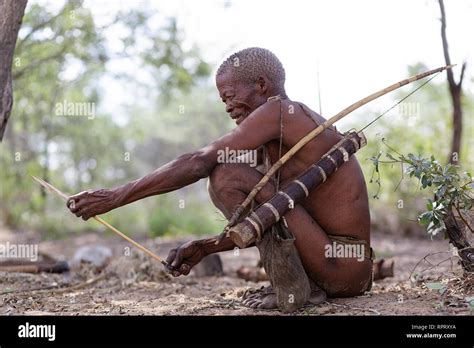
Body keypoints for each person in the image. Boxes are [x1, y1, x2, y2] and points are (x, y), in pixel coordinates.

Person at [67, 47, 373, 310]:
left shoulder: (280, 111)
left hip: (340, 264)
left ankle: (295, 287)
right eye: (221, 100)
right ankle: (298, 284)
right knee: (232, 175)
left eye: (229, 96)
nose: (227, 107)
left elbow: (200, 160)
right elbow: (274, 215)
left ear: (262, 85)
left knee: (227, 176)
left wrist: (115, 197)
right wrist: (206, 247)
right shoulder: (275, 141)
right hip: (346, 270)